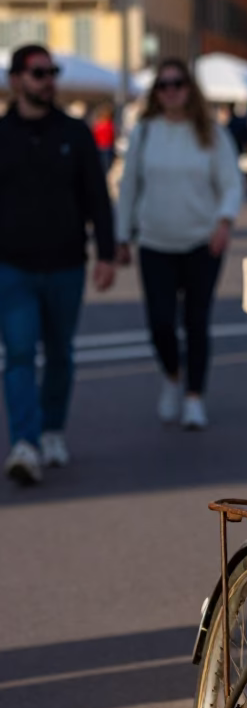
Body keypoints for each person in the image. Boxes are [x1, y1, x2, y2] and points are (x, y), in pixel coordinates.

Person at [0, 43, 116, 485]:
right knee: (20, 354)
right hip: (12, 267)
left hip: (67, 264)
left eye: (52, 72)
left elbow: (96, 198)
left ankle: (51, 431)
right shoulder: (2, 134)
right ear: (16, 80)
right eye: (37, 73)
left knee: (60, 354)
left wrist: (106, 253)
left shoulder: (75, 132)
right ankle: (25, 442)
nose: (47, 80)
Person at [116, 57, 242, 430]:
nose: (171, 91)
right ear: (156, 93)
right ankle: (172, 375)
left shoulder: (211, 133)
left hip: (202, 242)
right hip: (155, 242)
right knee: (159, 324)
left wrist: (224, 222)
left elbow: (231, 182)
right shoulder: (144, 132)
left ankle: (194, 398)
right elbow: (129, 187)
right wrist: (122, 236)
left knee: (196, 321)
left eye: (178, 83)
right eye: (164, 85)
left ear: (190, 89)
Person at [91, 104, 116, 176]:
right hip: (103, 148)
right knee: (103, 167)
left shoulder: (103, 125)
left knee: (104, 167)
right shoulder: (106, 125)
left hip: (104, 148)